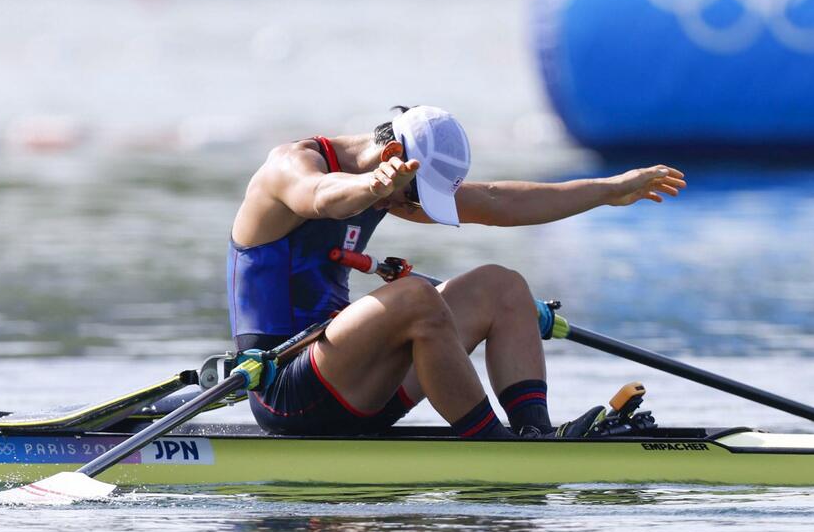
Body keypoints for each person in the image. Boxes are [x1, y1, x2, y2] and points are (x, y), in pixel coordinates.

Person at [229, 106, 685, 439]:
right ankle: (492, 445)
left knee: (501, 286)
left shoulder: (394, 184)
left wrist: (609, 189)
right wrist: (375, 186)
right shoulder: (289, 168)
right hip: (285, 390)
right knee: (414, 297)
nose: (410, 209)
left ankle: (534, 436)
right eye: (412, 196)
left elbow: (500, 202)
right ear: (389, 154)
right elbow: (321, 195)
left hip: (359, 381)